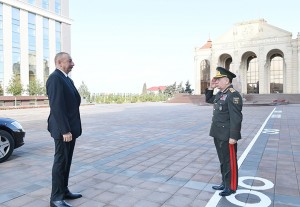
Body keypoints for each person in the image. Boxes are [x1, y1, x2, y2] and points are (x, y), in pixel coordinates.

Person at [46, 52, 82, 207]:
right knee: (60, 162)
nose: (73, 63)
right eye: (70, 61)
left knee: (66, 161)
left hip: (70, 129)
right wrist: (65, 130)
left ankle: (64, 190)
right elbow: (57, 106)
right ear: (60, 62)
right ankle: (56, 198)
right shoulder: (55, 78)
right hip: (63, 131)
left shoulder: (66, 79)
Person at [205, 66, 243, 197]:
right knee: (222, 160)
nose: (216, 81)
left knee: (229, 161)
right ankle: (224, 182)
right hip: (218, 133)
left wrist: (234, 136)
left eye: (218, 79)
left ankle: (230, 187)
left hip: (227, 135)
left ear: (226, 81)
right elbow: (209, 99)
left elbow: (236, 117)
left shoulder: (233, 95)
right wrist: (210, 87)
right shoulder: (221, 93)